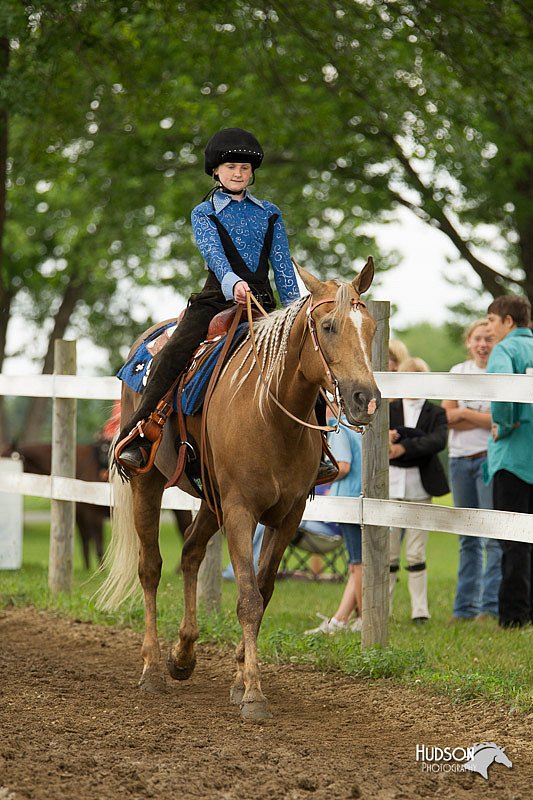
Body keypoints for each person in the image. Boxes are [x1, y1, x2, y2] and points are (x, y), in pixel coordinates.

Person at [114, 127, 335, 483]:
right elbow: (214, 256)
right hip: (216, 298)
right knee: (175, 351)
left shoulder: (270, 214)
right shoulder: (204, 213)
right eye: (231, 166)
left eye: (245, 168)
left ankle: (320, 446)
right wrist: (233, 283)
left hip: (265, 304)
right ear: (216, 171)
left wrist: (296, 310)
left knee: (309, 357)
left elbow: (281, 264)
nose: (238, 173)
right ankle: (140, 432)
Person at [443, 320, 501, 623]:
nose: (483, 345)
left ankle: (489, 607)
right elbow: (447, 416)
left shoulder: (502, 373)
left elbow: (500, 419)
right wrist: (479, 417)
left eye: (489, 339)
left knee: (492, 535)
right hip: (459, 460)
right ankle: (463, 609)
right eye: (478, 339)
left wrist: (464, 413)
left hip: (489, 460)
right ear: (469, 342)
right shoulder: (458, 373)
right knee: (467, 537)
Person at [485, 294, 533, 629]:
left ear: (508, 322)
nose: (489, 329)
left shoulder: (505, 350)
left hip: (513, 457)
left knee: (512, 539)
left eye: (491, 321)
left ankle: (514, 616)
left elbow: (501, 393)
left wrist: (503, 423)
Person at [388, 357, 449, 624]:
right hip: (390, 484)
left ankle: (420, 611)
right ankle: (383, 608)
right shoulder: (388, 410)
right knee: (388, 552)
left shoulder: (435, 413)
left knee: (415, 551)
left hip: (420, 487)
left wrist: (404, 445)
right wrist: (390, 438)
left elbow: (436, 442)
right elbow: (373, 436)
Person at [304, 421, 363, 634]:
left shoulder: (338, 428)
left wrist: (311, 476)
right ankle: (341, 619)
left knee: (358, 563)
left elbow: (343, 466)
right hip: (364, 494)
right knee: (357, 563)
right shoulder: (360, 426)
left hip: (348, 498)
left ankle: (364, 618)